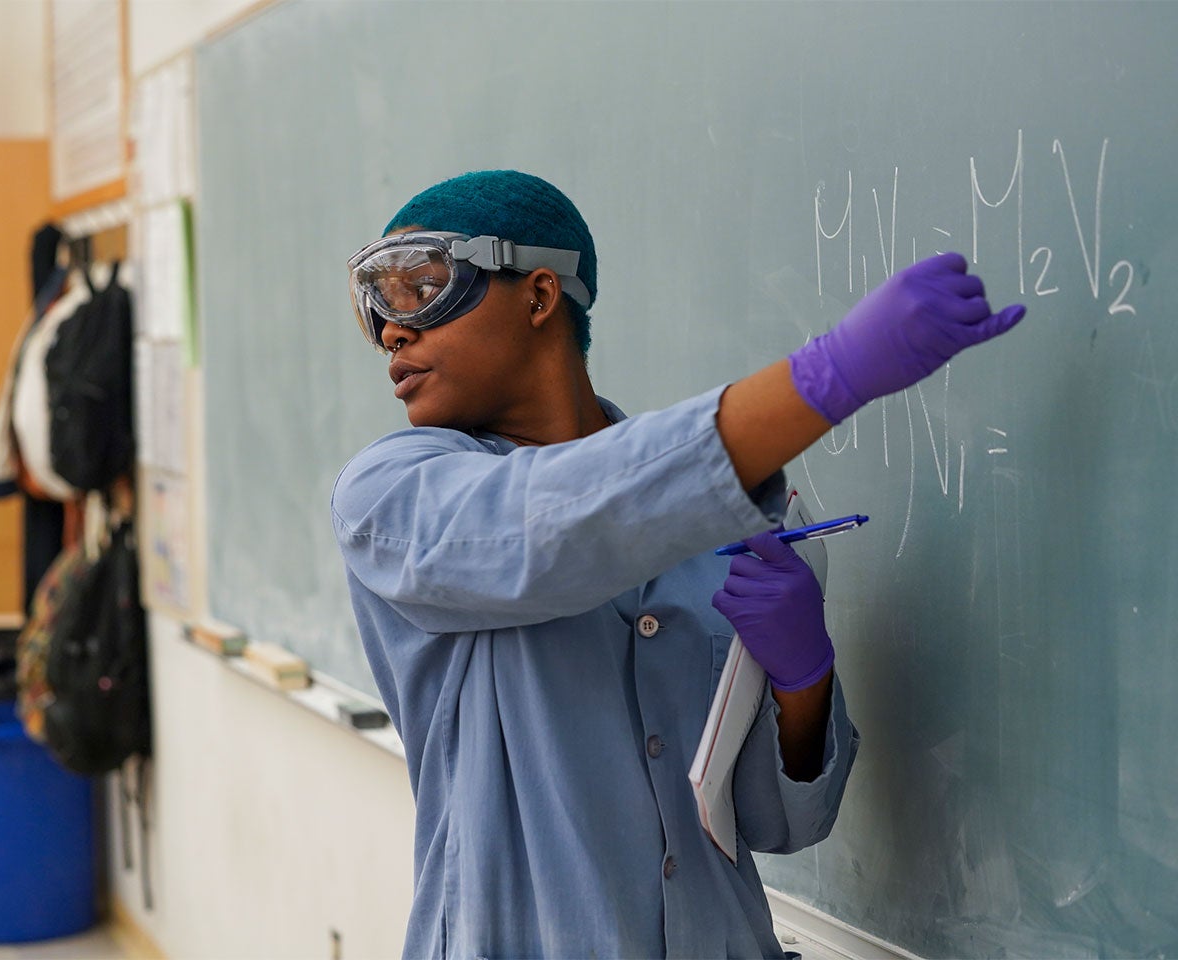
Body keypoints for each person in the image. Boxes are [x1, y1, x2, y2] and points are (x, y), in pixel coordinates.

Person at [331, 170, 1024, 958]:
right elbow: (549, 531)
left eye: (421, 287)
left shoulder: (738, 523)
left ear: (538, 294)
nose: (392, 329)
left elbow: (777, 823)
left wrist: (804, 683)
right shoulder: (393, 494)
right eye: (374, 306)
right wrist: (831, 374)